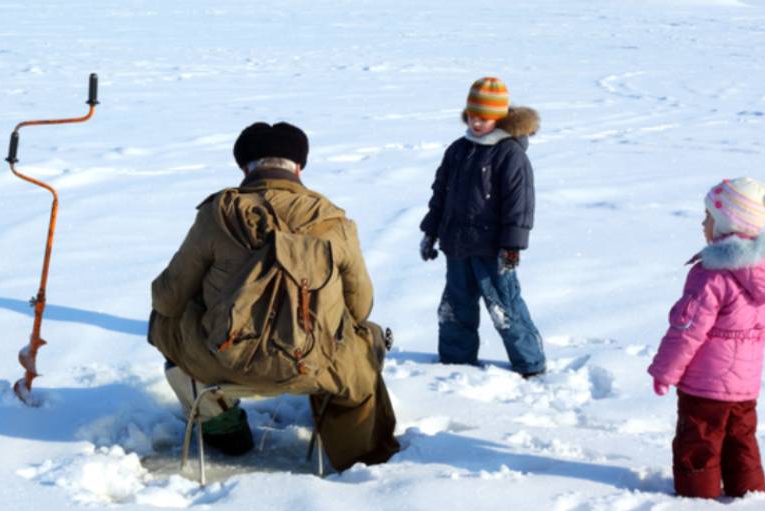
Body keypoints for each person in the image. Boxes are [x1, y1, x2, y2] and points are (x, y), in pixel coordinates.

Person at [148, 122, 400, 471]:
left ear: (244, 168)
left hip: (221, 360)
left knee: (164, 322)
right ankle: (353, 450)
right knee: (364, 336)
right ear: (298, 167)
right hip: (315, 363)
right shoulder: (335, 222)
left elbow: (167, 299)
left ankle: (224, 430)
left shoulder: (217, 215)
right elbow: (359, 307)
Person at [648, 177, 765, 499]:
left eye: (708, 218)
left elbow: (688, 330)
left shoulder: (711, 273)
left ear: (727, 225)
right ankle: (749, 494)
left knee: (698, 444)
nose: (703, 224)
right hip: (745, 385)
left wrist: (665, 371)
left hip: (704, 386)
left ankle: (697, 504)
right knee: (741, 442)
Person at [418, 77, 546, 377]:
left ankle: (531, 364)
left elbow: (520, 204)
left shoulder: (509, 154)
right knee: (455, 307)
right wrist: (431, 231)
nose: (477, 123)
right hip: (457, 245)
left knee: (505, 309)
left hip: (493, 250)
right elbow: (440, 195)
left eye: (485, 118)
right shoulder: (458, 150)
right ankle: (455, 363)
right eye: (473, 116)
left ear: (500, 118)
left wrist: (512, 246)